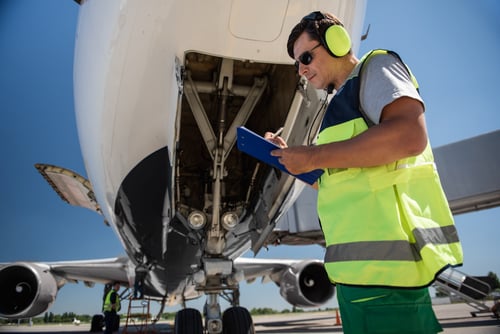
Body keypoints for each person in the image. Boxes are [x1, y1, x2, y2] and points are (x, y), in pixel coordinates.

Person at [267, 11, 464, 333]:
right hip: (355, 277)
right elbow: (341, 180)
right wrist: (288, 158)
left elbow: (409, 136)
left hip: (388, 275)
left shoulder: (376, 68)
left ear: (338, 42)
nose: (301, 70)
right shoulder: (338, 108)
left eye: (305, 57)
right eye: (296, 65)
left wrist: (315, 154)